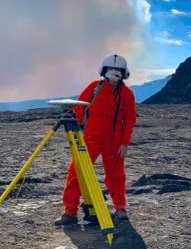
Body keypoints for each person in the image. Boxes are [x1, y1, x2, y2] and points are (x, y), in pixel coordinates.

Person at [54, 54, 137, 226]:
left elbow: (129, 119)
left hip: (115, 141)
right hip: (92, 138)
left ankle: (120, 209)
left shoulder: (127, 93)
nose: (114, 73)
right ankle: (70, 212)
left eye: (118, 70)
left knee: (116, 175)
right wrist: (75, 130)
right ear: (104, 70)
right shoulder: (94, 87)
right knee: (77, 172)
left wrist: (124, 143)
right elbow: (79, 107)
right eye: (111, 69)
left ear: (124, 72)